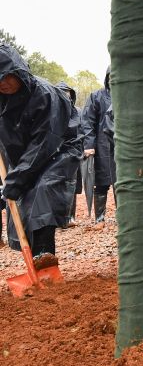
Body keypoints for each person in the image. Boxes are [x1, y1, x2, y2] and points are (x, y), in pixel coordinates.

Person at [0, 45, 82, 266]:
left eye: (6, 76)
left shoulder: (45, 95)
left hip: (61, 147)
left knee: (45, 188)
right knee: (22, 197)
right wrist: (14, 180)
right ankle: (36, 262)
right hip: (28, 153)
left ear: (17, 71)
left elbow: (45, 143)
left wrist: (15, 179)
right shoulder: (2, 99)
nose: (3, 83)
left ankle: (44, 254)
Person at [81, 67, 116, 223]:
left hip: (121, 146)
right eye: (111, 76)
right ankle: (99, 217)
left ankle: (124, 216)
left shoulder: (127, 96)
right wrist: (89, 145)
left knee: (122, 181)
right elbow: (87, 122)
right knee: (101, 181)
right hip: (101, 145)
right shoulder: (97, 96)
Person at [55, 81, 84, 227]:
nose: (65, 96)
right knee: (56, 185)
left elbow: (82, 131)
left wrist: (82, 149)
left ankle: (70, 217)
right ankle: (57, 219)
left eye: (67, 93)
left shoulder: (77, 111)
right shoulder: (51, 111)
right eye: (62, 93)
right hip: (55, 153)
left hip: (73, 154)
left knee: (71, 185)